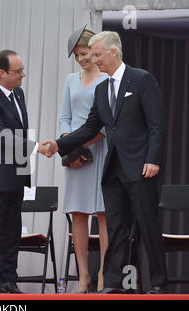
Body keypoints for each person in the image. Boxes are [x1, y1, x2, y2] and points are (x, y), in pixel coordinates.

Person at [50, 31, 167, 294]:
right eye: (91, 54)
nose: (93, 59)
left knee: (148, 226)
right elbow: (91, 128)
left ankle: (158, 282)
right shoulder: (102, 89)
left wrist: (153, 159)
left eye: (97, 54)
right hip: (113, 169)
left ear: (114, 52)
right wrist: (59, 144)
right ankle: (113, 283)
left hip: (141, 167)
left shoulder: (141, 79)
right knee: (115, 228)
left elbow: (157, 125)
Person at [0, 50, 52, 294]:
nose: (23, 75)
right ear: (1, 73)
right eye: (18, 71)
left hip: (15, 177)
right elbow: (1, 137)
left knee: (11, 232)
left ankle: (8, 278)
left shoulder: (18, 93)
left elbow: (20, 132)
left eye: (22, 69)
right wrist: (37, 148)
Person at [59, 27, 109, 293]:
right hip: (75, 154)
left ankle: (103, 273)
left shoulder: (107, 79)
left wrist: (79, 145)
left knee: (103, 213)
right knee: (77, 213)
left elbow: (106, 124)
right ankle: (83, 275)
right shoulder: (71, 80)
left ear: (95, 49)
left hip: (100, 149)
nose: (81, 59)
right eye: (77, 55)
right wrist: (71, 149)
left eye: (85, 53)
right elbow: (64, 118)